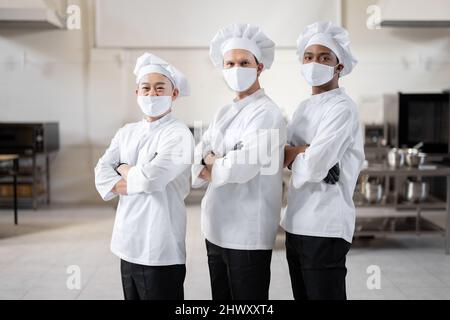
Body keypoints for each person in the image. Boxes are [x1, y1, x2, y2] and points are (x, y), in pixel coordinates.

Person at [191, 23, 286, 300]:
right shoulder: (223, 112)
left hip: (247, 230)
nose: (236, 68)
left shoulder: (267, 114)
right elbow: (196, 159)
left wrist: (214, 159)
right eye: (230, 63)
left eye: (244, 62)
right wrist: (214, 160)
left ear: (259, 67)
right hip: (215, 225)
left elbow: (239, 168)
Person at [94, 52, 194, 300]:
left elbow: (151, 179)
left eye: (160, 88)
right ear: (137, 93)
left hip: (160, 243)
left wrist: (124, 167)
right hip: (127, 241)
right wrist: (137, 178)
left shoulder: (179, 134)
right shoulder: (127, 131)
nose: (152, 94)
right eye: (145, 88)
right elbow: (100, 171)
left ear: (174, 94)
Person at [281, 21, 365, 300]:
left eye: (323, 57)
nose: (314, 62)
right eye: (308, 57)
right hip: (295, 224)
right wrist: (303, 152)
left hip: (326, 227)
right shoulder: (303, 108)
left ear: (338, 66)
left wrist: (300, 153)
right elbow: (283, 155)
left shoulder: (343, 108)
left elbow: (315, 166)